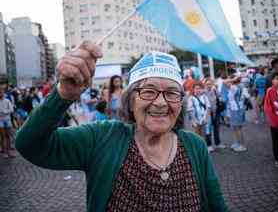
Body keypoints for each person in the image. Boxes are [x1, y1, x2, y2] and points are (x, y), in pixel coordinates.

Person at [15, 41, 227, 212]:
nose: (161, 102)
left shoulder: (195, 146)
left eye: (172, 93)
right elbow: (30, 145)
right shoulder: (102, 137)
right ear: (131, 100)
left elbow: (217, 206)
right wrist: (62, 96)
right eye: (149, 91)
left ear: (181, 101)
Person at [188, 82, 212, 151]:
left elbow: (208, 108)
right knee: (197, 135)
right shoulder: (191, 98)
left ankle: (204, 149)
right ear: (193, 89)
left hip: (203, 119)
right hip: (195, 120)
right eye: (196, 88)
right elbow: (190, 110)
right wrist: (194, 120)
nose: (198, 90)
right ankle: (198, 150)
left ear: (202, 89)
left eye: (199, 88)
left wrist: (206, 118)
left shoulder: (204, 97)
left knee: (204, 135)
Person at [226, 75, 248, 152]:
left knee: (238, 128)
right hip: (237, 109)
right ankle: (237, 143)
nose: (228, 83)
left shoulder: (234, 87)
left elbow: (225, 82)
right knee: (236, 128)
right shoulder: (241, 86)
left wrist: (232, 79)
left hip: (236, 109)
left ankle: (241, 145)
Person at [204, 77, 226, 149]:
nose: (209, 85)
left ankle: (217, 143)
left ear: (212, 84)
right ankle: (209, 145)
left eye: (210, 84)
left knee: (216, 128)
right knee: (208, 129)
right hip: (208, 113)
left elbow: (220, 98)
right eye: (207, 84)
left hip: (216, 112)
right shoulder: (203, 92)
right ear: (205, 84)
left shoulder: (215, 90)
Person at [0, 84, 15, 158]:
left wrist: (5, 111)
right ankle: (4, 152)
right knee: (3, 136)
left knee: (8, 136)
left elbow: (11, 109)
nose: (1, 94)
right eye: (0, 92)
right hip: (0, 120)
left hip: (7, 119)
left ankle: (9, 152)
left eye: (2, 92)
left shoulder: (7, 100)